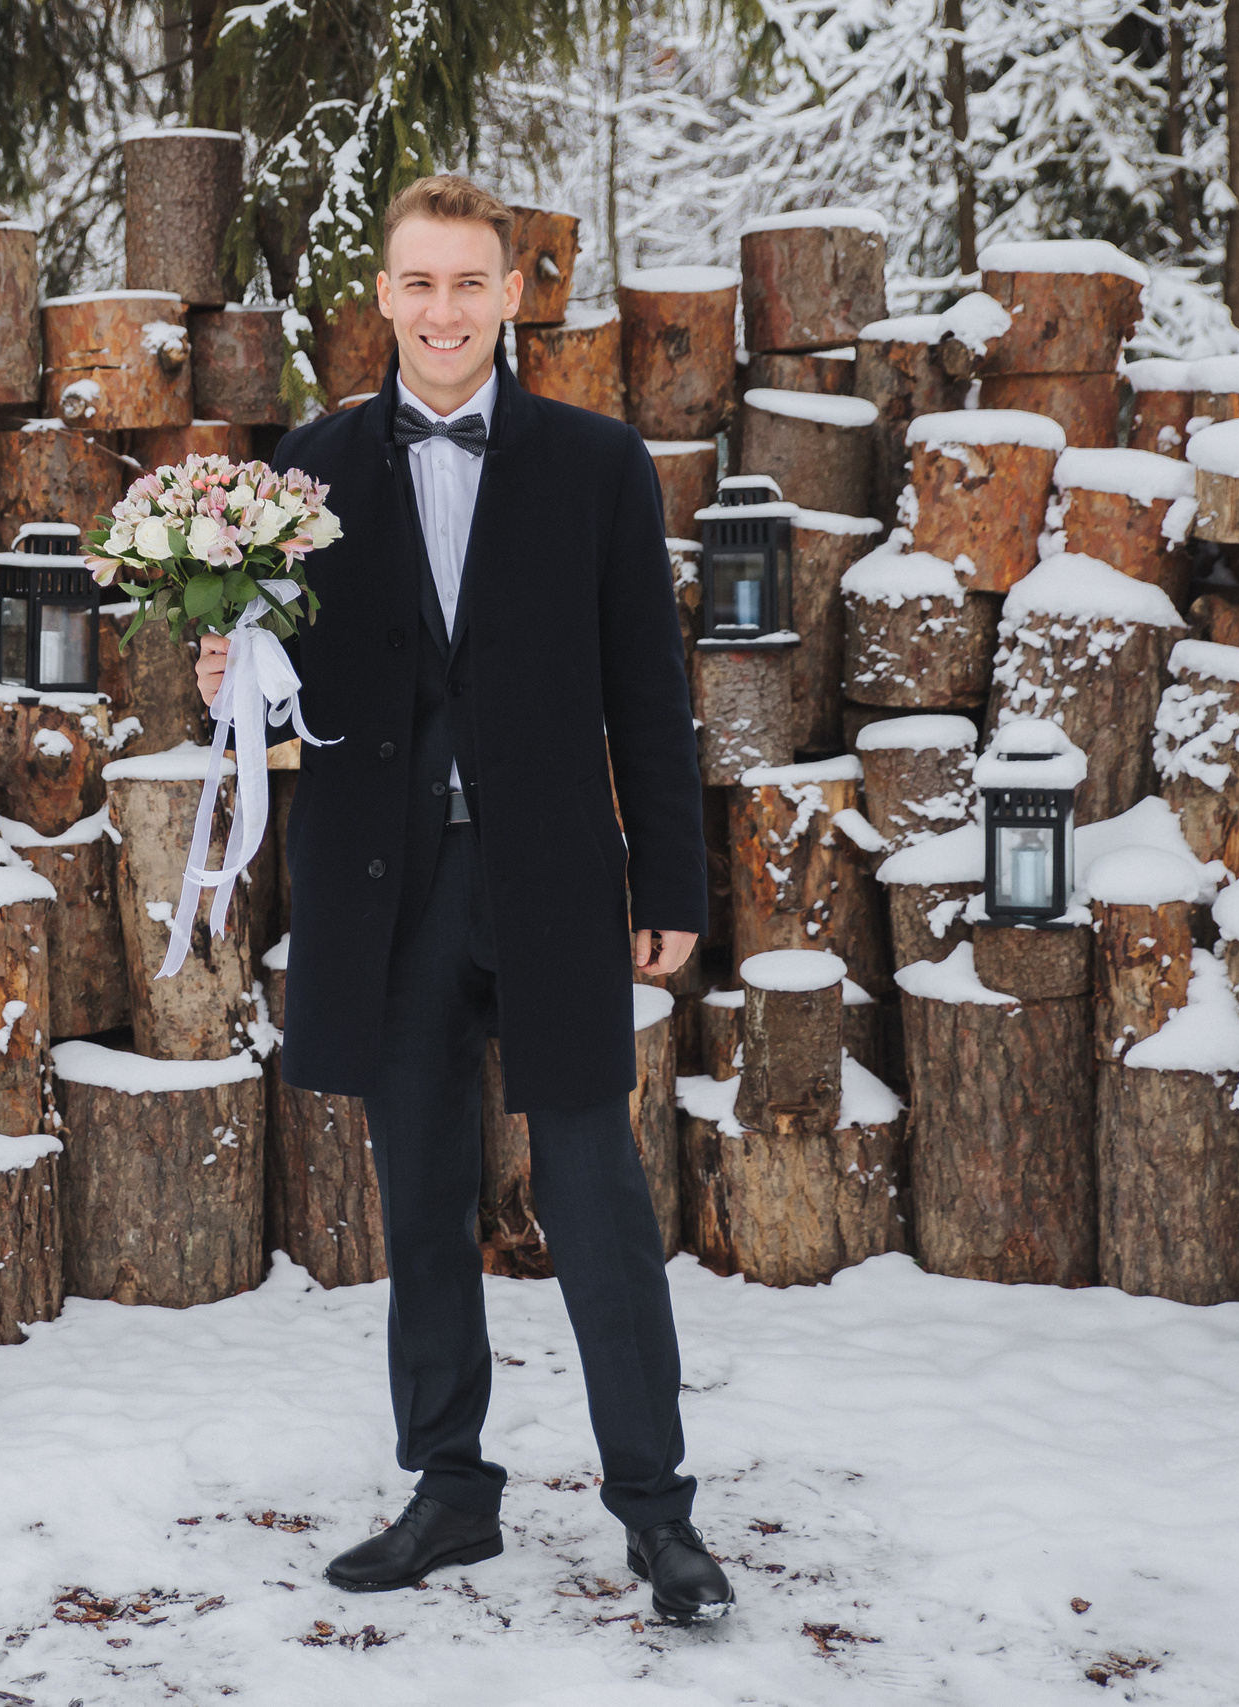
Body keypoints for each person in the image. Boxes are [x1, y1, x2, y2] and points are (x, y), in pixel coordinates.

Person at [194, 174, 731, 1622]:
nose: (441, 310)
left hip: (554, 880)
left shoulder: (599, 466)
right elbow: (285, 691)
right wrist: (229, 681)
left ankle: (656, 1512)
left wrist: (673, 876)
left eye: (467, 284)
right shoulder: (298, 476)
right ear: (382, 298)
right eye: (416, 283)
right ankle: (448, 1491)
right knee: (420, 1193)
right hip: (386, 892)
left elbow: (649, 695)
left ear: (513, 296)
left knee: (596, 1193)